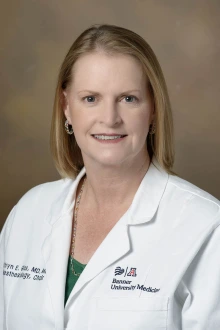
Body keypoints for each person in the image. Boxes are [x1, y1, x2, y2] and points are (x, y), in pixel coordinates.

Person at [0, 23, 220, 330]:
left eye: (128, 99)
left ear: (153, 108)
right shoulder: (28, 212)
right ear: (66, 107)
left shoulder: (207, 227)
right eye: (90, 98)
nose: (110, 118)